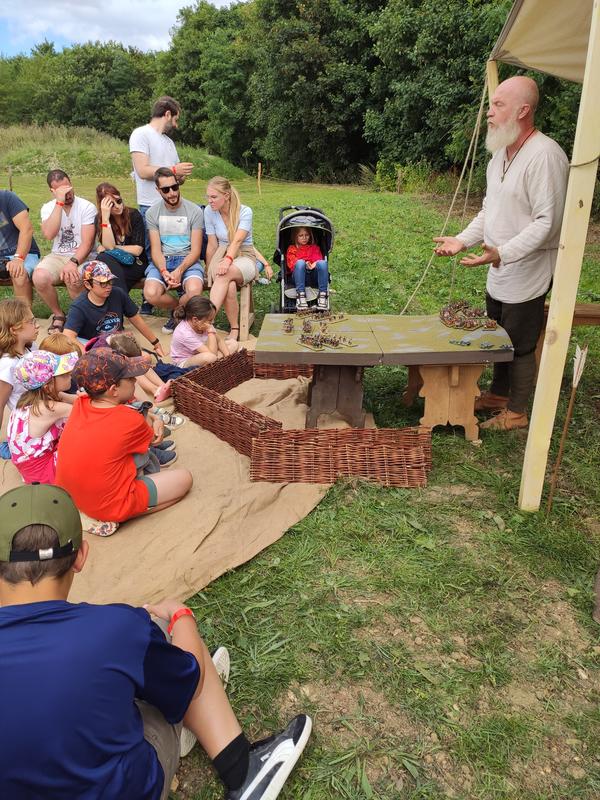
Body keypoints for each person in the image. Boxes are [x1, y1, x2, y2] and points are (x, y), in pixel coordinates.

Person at [0, 482, 312, 800]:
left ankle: (187, 720)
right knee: (163, 637)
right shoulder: (116, 627)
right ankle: (243, 769)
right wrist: (182, 617)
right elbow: (191, 677)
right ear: (81, 556)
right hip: (129, 789)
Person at [434, 76, 569, 431]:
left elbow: (548, 223)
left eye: (498, 105)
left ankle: (518, 412)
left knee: (521, 342)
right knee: (499, 332)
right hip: (498, 264)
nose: (489, 113)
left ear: (523, 110)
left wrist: (502, 252)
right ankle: (498, 395)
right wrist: (463, 241)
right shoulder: (500, 154)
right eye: (491, 105)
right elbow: (487, 211)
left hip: (529, 267)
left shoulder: (545, 155)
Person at [56, 348, 192, 533]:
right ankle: (122, 515)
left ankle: (105, 512)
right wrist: (157, 421)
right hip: (107, 504)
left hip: (72, 496)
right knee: (184, 479)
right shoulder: (129, 420)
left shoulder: (82, 403)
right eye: (129, 378)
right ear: (113, 390)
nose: (135, 380)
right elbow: (154, 441)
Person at [130, 96, 193, 316]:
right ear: (167, 114)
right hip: (151, 205)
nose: (176, 125)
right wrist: (174, 170)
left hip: (174, 206)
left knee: (175, 248)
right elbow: (143, 170)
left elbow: (171, 174)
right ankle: (150, 299)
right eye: (175, 119)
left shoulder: (168, 142)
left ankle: (178, 288)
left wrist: (180, 176)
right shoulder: (141, 134)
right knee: (152, 252)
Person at [32, 169, 96, 332]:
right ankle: (59, 315)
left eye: (68, 188)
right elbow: (48, 234)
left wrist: (73, 262)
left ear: (71, 183)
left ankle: (83, 318)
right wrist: (59, 204)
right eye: (61, 191)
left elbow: (88, 243)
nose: (67, 193)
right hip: (57, 255)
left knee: (73, 278)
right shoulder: (48, 208)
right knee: (39, 276)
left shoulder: (86, 206)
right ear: (52, 191)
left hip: (83, 256)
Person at [143, 168, 204, 334]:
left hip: (187, 259)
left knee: (194, 291)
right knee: (150, 293)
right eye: (165, 190)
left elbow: (196, 250)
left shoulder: (195, 211)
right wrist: (164, 271)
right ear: (158, 190)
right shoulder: (152, 213)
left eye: (174, 187)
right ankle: (178, 310)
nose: (171, 193)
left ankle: (178, 314)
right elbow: (155, 250)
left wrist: (179, 270)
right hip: (164, 259)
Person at [63, 261, 165, 359]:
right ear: (88, 285)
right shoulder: (79, 306)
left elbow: (136, 319)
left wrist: (155, 343)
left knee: (146, 358)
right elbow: (68, 336)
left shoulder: (118, 294)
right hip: (90, 344)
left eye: (110, 281)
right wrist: (89, 355)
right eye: (103, 283)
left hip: (114, 341)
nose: (108, 286)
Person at [7, 350, 78, 484]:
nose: (70, 375)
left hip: (28, 468)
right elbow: (87, 414)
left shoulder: (31, 398)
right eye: (64, 374)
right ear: (47, 385)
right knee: (86, 439)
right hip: (42, 473)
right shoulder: (49, 407)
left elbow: (76, 400)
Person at [205, 176, 257, 342]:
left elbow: (238, 241)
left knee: (224, 275)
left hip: (244, 255)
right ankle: (234, 328)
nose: (209, 201)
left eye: (214, 197)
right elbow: (212, 245)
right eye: (208, 196)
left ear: (226, 196)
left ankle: (206, 322)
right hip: (221, 254)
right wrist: (208, 268)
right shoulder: (209, 211)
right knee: (230, 285)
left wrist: (227, 260)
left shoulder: (245, 211)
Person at [95, 181, 148, 293]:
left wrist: (115, 247)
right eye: (111, 204)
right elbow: (109, 246)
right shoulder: (100, 219)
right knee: (103, 260)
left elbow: (137, 250)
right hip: (115, 263)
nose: (118, 206)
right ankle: (123, 306)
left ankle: (119, 307)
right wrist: (105, 218)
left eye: (119, 201)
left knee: (107, 267)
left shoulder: (133, 215)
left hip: (136, 263)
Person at [0, 298, 39, 449]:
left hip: (42, 409)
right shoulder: (7, 365)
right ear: (14, 329)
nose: (37, 325)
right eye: (31, 321)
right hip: (29, 422)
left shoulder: (32, 347)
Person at [170, 296, 237, 368]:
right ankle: (219, 366)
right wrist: (211, 332)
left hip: (202, 353)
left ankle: (221, 364)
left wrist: (228, 358)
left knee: (233, 343)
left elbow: (219, 341)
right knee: (210, 358)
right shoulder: (184, 333)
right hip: (184, 362)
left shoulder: (203, 323)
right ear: (195, 320)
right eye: (210, 320)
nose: (212, 322)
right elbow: (213, 355)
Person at [0, 189, 40, 304]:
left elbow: (26, 229)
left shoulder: (6, 197)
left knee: (19, 274)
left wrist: (18, 258)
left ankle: (25, 318)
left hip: (23, 252)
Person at [286, 226, 329, 310]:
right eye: (301, 235)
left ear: (310, 236)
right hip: (298, 277)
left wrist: (315, 263)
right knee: (300, 263)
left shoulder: (314, 248)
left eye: (307, 235)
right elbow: (291, 264)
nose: (304, 238)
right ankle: (300, 295)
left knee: (323, 263)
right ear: (295, 236)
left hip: (313, 277)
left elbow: (318, 259)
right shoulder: (292, 249)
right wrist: (304, 264)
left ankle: (322, 295)